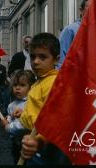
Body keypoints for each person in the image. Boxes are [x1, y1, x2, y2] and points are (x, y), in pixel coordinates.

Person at [19, 32, 68, 165]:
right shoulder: (39, 81)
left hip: (44, 147)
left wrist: (39, 140)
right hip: (31, 140)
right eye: (33, 56)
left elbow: (58, 122)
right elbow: (37, 109)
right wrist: (22, 114)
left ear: (56, 59)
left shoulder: (54, 83)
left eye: (42, 57)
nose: (35, 61)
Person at [1, 69, 36, 164]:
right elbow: (10, 117)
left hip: (28, 145)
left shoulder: (31, 104)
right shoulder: (11, 105)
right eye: (15, 85)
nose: (17, 88)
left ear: (30, 87)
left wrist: (8, 127)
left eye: (22, 85)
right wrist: (7, 120)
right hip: (16, 144)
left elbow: (23, 125)